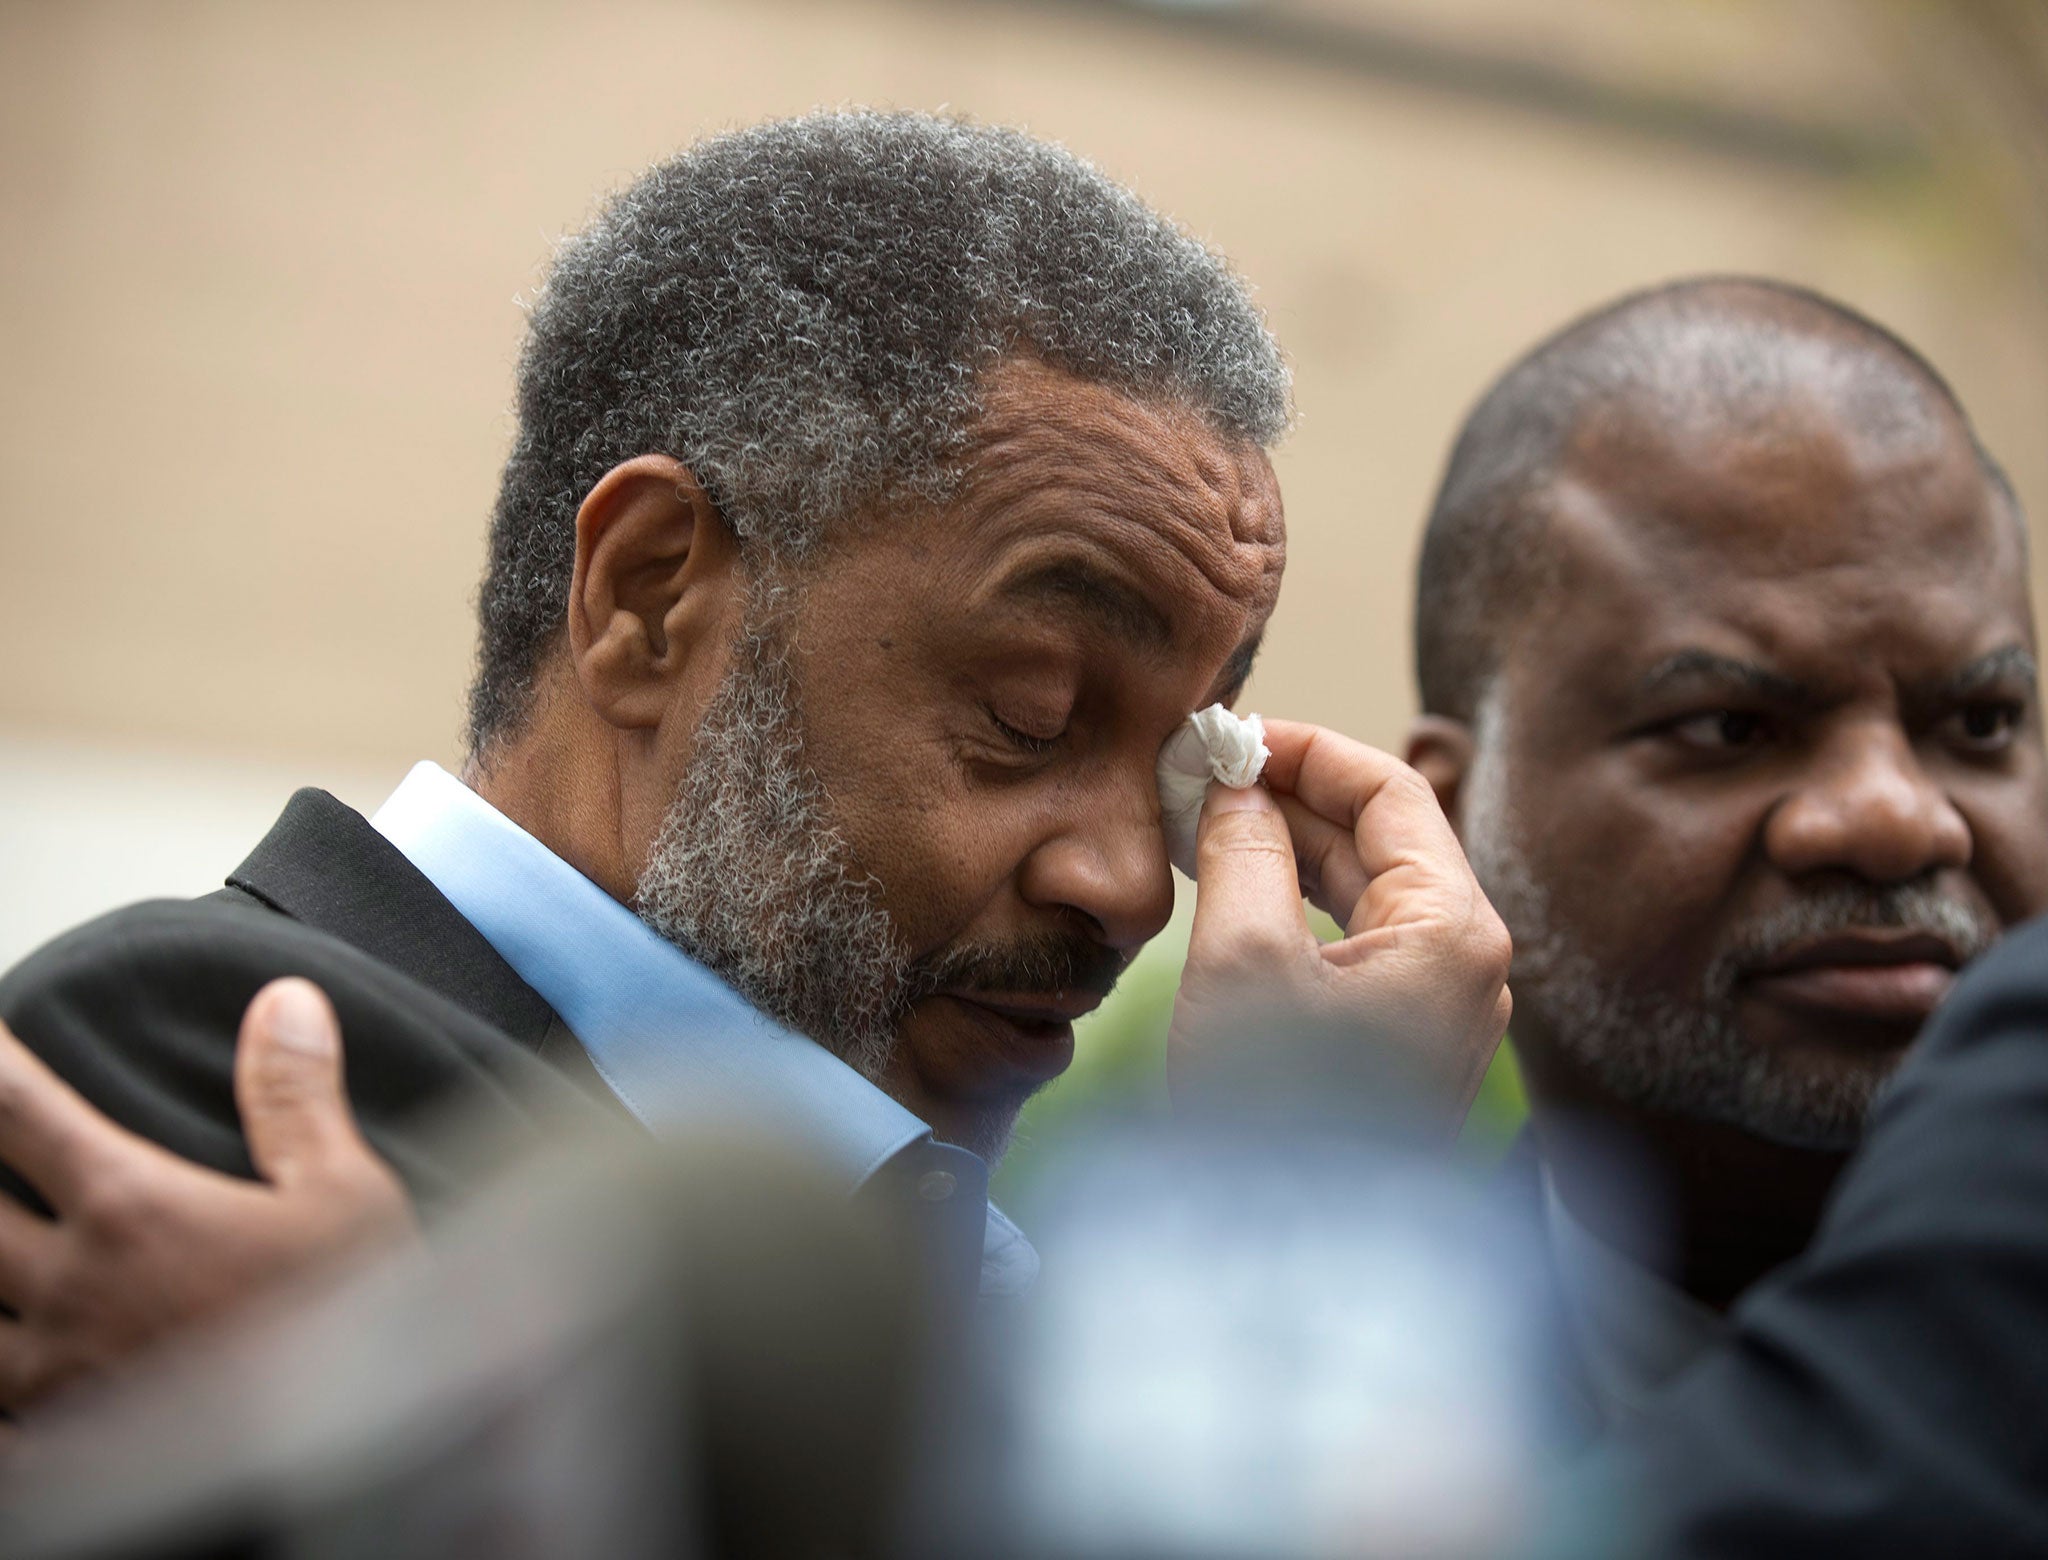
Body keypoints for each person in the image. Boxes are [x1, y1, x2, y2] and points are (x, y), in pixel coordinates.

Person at [0, 110, 1509, 1407]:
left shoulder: (938, 1246)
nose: (1131, 886)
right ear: (651, 598)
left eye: (1185, 765)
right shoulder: (214, 1065)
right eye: (1028, 716)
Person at [1405, 275, 2048, 1428]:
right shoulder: (1310, 1431)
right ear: (1451, 819)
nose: (1895, 817)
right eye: (1726, 727)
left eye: (1977, 722)